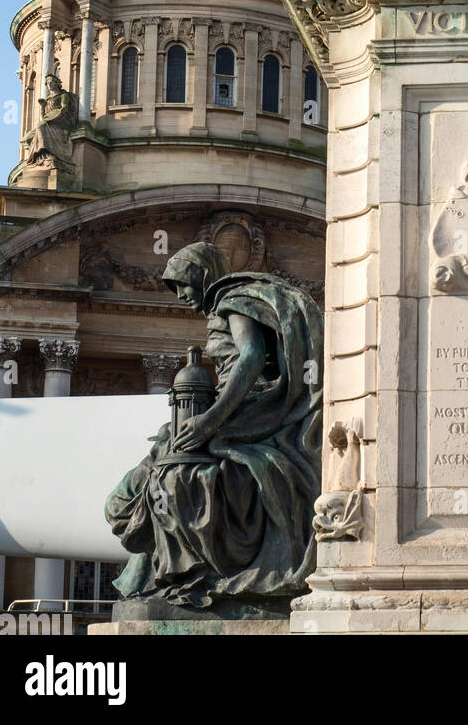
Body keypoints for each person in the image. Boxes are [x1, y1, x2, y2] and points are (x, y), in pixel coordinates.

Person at [106, 242, 323, 617]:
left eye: (184, 285)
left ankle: (188, 579)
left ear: (203, 274)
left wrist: (211, 420)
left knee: (172, 477)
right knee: (132, 492)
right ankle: (171, 573)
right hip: (227, 409)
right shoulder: (227, 304)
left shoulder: (231, 300)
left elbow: (252, 357)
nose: (182, 297)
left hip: (247, 410)